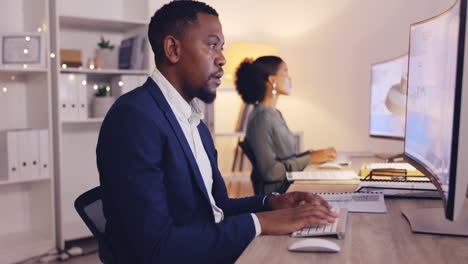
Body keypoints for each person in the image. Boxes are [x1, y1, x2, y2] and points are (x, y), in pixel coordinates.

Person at [96, 1, 338, 263]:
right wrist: (260, 222)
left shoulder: (194, 122)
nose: (222, 58)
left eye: (221, 47)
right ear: (173, 49)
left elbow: (217, 209)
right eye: (212, 45)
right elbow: (155, 246)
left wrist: (272, 203)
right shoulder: (135, 118)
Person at [235, 56, 337, 194]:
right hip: (278, 196)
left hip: (288, 188)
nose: (290, 79)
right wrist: (310, 159)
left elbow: (285, 157)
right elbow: (270, 172)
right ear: (272, 80)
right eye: (285, 72)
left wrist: (313, 155)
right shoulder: (261, 118)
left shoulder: (274, 113)